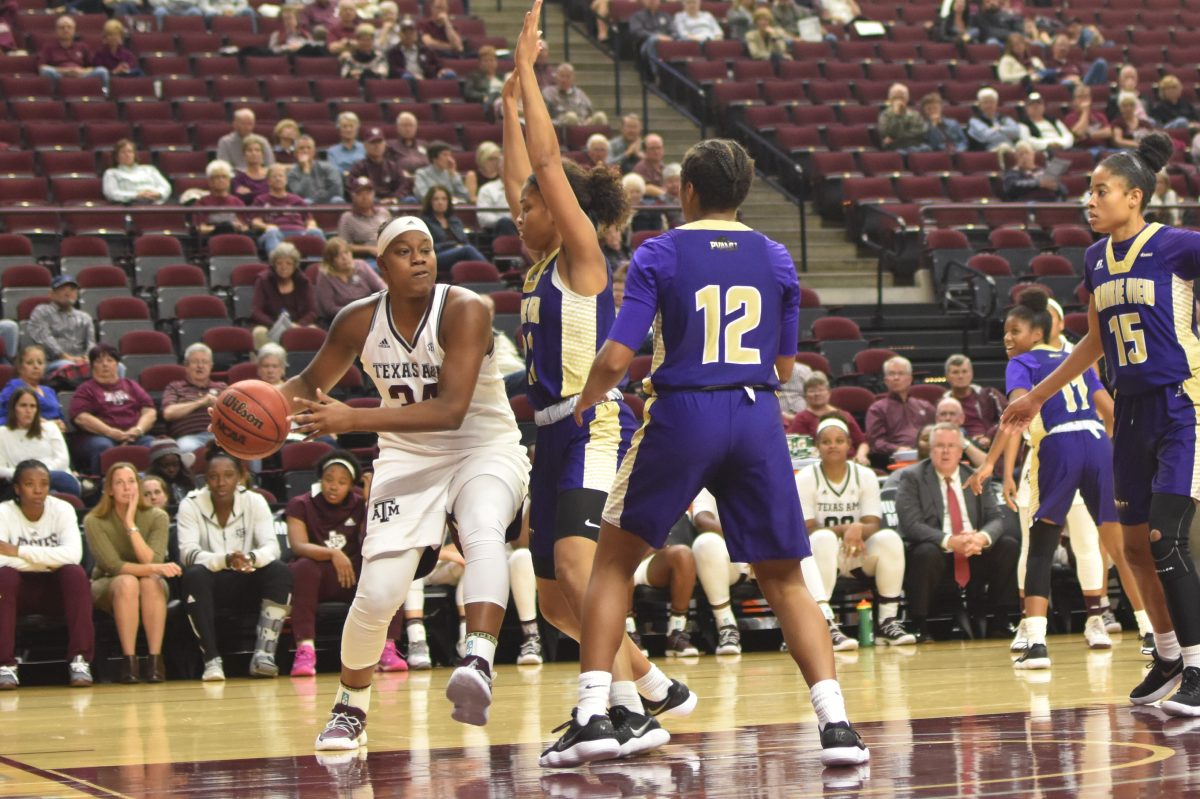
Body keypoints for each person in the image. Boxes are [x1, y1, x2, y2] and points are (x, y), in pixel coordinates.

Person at [542, 104, 871, 771]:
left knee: (611, 560)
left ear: (686, 192)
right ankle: (836, 723)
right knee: (785, 577)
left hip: (684, 410)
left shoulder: (660, 250)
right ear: (742, 193)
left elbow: (615, 355)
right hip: (754, 416)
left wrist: (586, 400)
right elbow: (784, 368)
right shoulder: (776, 256)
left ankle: (593, 713)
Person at [501, 20, 696, 766]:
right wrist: (509, 99)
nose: (519, 213)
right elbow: (523, 168)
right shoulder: (537, 255)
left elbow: (546, 162)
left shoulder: (581, 254)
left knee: (582, 570)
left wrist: (532, 73)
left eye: (530, 205)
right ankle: (643, 688)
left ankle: (615, 706)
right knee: (552, 596)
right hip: (548, 434)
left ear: (564, 208)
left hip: (594, 424)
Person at [281, 213, 529, 746]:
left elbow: (451, 411)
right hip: (406, 458)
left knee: (484, 527)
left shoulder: (464, 308)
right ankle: (350, 706)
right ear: (381, 266)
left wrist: (352, 419)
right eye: (405, 251)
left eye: (427, 248)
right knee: (377, 593)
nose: (420, 257)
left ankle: (478, 661)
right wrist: (243, 406)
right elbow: (306, 383)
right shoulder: (356, 320)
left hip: (482, 445)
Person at [1001, 133, 1200, 714]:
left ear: (1135, 197)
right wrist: (1036, 396)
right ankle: (1167, 657)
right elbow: (1093, 340)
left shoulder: (1177, 245)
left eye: (1101, 190)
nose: (1090, 201)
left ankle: (1198, 666)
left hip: (1181, 401)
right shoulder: (1093, 258)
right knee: (1133, 545)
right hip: (1131, 407)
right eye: (1089, 191)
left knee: (1165, 536)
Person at [967, 289, 1121, 669]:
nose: (1008, 337)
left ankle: (1051, 631)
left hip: (1055, 449)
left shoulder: (1031, 361)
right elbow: (1110, 413)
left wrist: (989, 464)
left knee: (1051, 543)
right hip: (1088, 445)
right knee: (1114, 544)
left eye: (1015, 329)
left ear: (1042, 328)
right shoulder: (1078, 358)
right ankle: (1155, 635)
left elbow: (1016, 413)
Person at [288, 450, 409, 677]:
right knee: (302, 567)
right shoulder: (300, 503)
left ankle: (387, 648)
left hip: (354, 576)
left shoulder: (359, 503)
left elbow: (377, 540)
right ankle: (305, 651)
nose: (334, 486)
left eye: (342, 482)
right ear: (320, 479)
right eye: (329, 479)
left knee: (388, 570)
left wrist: (370, 501)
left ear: (350, 485)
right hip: (320, 577)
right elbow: (299, 545)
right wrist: (333, 553)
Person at [895, 424, 1019, 641]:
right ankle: (920, 625)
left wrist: (981, 537)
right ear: (930, 449)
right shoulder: (912, 477)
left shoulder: (977, 476)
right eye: (939, 446)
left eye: (951, 446)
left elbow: (996, 518)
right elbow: (911, 524)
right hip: (938, 551)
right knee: (924, 552)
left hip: (974, 550)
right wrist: (950, 541)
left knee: (1007, 545)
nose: (945, 451)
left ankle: (1002, 619)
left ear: (961, 451)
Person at [799, 417, 916, 648]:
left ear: (849, 445)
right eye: (826, 441)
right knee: (823, 538)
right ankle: (825, 624)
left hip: (856, 554)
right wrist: (847, 529)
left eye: (839, 440)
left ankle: (887, 622)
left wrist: (859, 529)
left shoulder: (865, 475)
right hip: (820, 558)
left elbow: (873, 523)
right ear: (817, 447)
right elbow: (807, 528)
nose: (833, 445)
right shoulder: (804, 478)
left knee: (889, 538)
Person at [178, 448, 292, 681]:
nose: (221, 482)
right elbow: (187, 554)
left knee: (280, 570)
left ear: (240, 476)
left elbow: (272, 547)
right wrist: (225, 560)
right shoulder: (190, 504)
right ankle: (211, 660)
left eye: (228, 475)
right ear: (205, 478)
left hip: (247, 579)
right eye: (213, 476)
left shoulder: (255, 501)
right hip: (212, 584)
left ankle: (264, 654)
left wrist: (250, 558)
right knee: (194, 575)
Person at [0, 460, 94, 689]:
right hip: (18, 594)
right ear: (17, 488)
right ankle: (5, 665)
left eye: (43, 483)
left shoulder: (62, 509)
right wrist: (49, 560)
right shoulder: (3, 512)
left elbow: (73, 555)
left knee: (75, 574)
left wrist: (20, 551)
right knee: (4, 577)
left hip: (55, 594)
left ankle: (79, 661)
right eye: (30, 484)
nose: (38, 489)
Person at [84, 462, 178, 684]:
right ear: (109, 490)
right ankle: (130, 661)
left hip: (149, 581)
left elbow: (151, 559)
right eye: (119, 483)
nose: (127, 488)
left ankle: (155, 661)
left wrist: (129, 523)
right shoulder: (94, 521)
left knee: (149, 582)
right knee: (128, 582)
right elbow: (113, 566)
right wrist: (155, 568)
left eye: (131, 481)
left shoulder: (157, 516)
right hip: (107, 583)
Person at [68, 344, 156, 474]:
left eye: (110, 360)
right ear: (92, 366)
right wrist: (110, 432)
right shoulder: (86, 389)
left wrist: (138, 429)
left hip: (134, 435)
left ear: (117, 364)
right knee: (104, 446)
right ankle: (101, 486)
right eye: (99, 361)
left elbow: (150, 411)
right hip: (100, 437)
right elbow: (81, 418)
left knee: (155, 445)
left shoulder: (131, 385)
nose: (105, 364)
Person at [0, 388, 78, 496]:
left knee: (61, 480)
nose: (28, 410)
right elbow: (1, 469)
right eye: (23, 405)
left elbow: (63, 460)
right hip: (23, 482)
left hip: (56, 477)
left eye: (33, 406)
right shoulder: (2, 433)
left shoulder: (51, 428)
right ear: (14, 409)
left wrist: (40, 474)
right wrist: (26, 474)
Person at [865, 356, 935, 465]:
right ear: (886, 380)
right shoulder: (877, 409)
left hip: (927, 457)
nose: (896, 378)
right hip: (896, 460)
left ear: (910, 379)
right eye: (891, 374)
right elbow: (876, 443)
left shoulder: (925, 406)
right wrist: (896, 449)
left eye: (901, 373)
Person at [787, 372, 870, 465]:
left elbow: (862, 443)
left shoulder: (844, 415)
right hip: (817, 465)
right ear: (805, 396)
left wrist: (860, 456)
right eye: (812, 391)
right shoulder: (801, 418)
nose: (817, 394)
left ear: (829, 393)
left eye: (821, 390)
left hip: (850, 462)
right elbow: (795, 449)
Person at [161, 344, 226, 454]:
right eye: (195, 362)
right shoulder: (175, 387)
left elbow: (237, 413)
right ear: (186, 365)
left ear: (211, 366)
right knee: (185, 448)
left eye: (205, 362)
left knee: (250, 447)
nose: (200, 366)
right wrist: (200, 402)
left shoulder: (222, 387)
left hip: (220, 435)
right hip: (189, 438)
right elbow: (168, 413)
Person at [251, 164, 327, 255]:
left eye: (281, 176)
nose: (278, 178)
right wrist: (267, 226)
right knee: (272, 232)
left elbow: (310, 220)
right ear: (268, 181)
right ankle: (277, 262)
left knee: (316, 232)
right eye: (274, 176)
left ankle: (317, 265)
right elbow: (255, 222)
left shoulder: (297, 200)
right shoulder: (260, 200)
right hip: (276, 232)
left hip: (299, 232)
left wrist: (310, 226)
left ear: (286, 180)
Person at [27, 275, 94, 374]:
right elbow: (44, 338)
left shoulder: (85, 317)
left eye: (72, 289)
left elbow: (91, 343)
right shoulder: (42, 311)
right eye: (62, 289)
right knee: (67, 365)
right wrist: (64, 356)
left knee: (118, 366)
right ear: (51, 294)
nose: (68, 293)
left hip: (81, 361)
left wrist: (87, 357)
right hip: (52, 362)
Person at [314, 236, 386, 327]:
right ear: (330, 260)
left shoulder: (362, 266)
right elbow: (329, 308)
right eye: (338, 255)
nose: (344, 258)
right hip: (340, 320)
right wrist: (355, 312)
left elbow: (382, 287)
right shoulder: (325, 276)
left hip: (369, 314)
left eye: (346, 252)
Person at [420, 185, 487, 280]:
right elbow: (428, 248)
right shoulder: (424, 222)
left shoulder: (454, 220)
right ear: (430, 202)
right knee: (468, 249)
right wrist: (453, 245)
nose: (440, 202)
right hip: (436, 257)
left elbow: (465, 241)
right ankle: (493, 273)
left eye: (444, 199)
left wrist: (458, 247)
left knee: (468, 249)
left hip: (459, 252)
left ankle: (488, 279)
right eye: (436, 199)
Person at [942, 354, 1005, 448]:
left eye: (964, 371)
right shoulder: (943, 403)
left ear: (971, 374)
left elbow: (1007, 417)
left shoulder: (989, 395)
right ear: (947, 376)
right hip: (955, 445)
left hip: (988, 444)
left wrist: (989, 436)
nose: (960, 376)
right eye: (955, 372)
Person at [0, 345, 65, 428]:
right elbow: (3, 416)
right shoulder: (14, 386)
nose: (36, 366)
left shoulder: (49, 390)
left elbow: (60, 417)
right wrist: (39, 423)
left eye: (40, 363)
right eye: (30, 363)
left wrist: (61, 425)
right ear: (20, 367)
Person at [38, 15, 108, 91]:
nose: (66, 30)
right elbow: (41, 68)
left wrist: (81, 71)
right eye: (62, 27)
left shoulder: (82, 46)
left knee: (102, 71)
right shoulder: (48, 47)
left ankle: (105, 95)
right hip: (59, 76)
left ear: (74, 30)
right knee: (47, 71)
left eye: (69, 27)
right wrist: (65, 71)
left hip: (81, 76)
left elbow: (93, 66)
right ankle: (54, 96)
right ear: (56, 31)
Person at [347, 128, 414, 203]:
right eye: (373, 142)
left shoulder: (393, 166)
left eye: (379, 142)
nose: (377, 146)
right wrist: (378, 201)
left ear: (385, 144)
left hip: (393, 201)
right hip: (370, 203)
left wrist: (395, 198)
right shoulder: (359, 167)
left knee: (410, 200)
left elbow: (403, 184)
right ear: (365, 146)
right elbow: (352, 187)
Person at [337, 176, 392, 265]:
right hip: (367, 259)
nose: (365, 197)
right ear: (353, 196)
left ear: (374, 194)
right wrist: (369, 249)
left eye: (368, 193)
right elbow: (343, 246)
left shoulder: (384, 212)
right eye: (360, 193)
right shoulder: (347, 218)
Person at [103, 139, 171, 205]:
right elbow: (111, 193)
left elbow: (166, 186)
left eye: (130, 151)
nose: (127, 155)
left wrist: (158, 194)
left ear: (134, 154)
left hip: (156, 203)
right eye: (123, 152)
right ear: (116, 157)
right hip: (130, 205)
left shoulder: (149, 169)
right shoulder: (111, 173)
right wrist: (137, 195)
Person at [541, 63, 607, 127]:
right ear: (556, 77)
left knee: (600, 116)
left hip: (583, 124)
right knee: (571, 117)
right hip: (562, 126)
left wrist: (588, 120)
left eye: (568, 76)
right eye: (562, 76)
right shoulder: (548, 93)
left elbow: (591, 112)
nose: (564, 80)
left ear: (573, 78)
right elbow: (544, 118)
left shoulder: (580, 93)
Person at [474, 143, 519, 237]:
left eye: (511, 166)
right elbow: (484, 219)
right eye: (505, 167)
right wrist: (511, 218)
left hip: (525, 226)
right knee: (505, 223)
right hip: (500, 229)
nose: (508, 170)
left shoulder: (526, 188)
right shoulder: (487, 189)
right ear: (499, 169)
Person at [195, 160, 249, 237]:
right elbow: (200, 228)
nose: (221, 180)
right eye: (217, 177)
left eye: (224, 177)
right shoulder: (202, 203)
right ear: (210, 181)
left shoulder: (237, 202)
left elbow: (245, 227)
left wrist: (238, 227)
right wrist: (222, 228)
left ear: (229, 180)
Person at [287, 136, 344, 205]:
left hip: (329, 200)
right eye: (301, 148)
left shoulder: (328, 167)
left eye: (309, 148)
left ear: (314, 152)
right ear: (295, 153)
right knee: (306, 202)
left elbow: (337, 190)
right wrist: (306, 170)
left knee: (337, 200)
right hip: (309, 203)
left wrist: (318, 198)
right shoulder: (292, 174)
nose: (305, 151)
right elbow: (300, 195)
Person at [934, 397, 987, 468]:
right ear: (937, 419)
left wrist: (963, 443)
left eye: (952, 414)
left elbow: (988, 466)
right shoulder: (927, 440)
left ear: (962, 418)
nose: (948, 418)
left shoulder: (971, 443)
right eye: (943, 414)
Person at [386, 14, 443, 80]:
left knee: (449, 75)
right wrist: (411, 75)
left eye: (411, 32)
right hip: (405, 81)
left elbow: (437, 65)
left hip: (426, 79)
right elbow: (394, 70)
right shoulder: (393, 52)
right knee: (407, 77)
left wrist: (441, 70)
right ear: (400, 35)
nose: (408, 35)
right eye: (405, 32)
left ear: (416, 34)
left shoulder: (426, 50)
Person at [968, 87, 1021, 157]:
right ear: (980, 105)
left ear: (996, 103)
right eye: (986, 102)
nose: (989, 105)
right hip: (988, 152)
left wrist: (999, 129)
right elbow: (985, 136)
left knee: (1023, 146)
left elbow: (1016, 132)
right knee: (1004, 147)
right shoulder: (975, 120)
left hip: (1010, 149)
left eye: (991, 102)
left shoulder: (1003, 118)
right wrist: (1006, 131)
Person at [144, 437, 195, 506]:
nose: (171, 469)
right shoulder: (148, 486)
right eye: (165, 466)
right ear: (156, 467)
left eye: (175, 465)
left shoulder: (188, 482)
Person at [878, 83, 929, 152]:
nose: (899, 100)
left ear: (907, 99)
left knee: (927, 148)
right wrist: (897, 115)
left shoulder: (914, 114)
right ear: (890, 99)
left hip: (914, 144)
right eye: (895, 97)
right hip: (895, 146)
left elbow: (920, 131)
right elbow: (885, 132)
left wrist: (899, 137)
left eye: (901, 97)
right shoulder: (885, 115)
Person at [1064, 83, 1113, 153]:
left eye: (1086, 96)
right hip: (1082, 150)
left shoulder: (1099, 115)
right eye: (1080, 97)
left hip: (1102, 149)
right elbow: (1078, 133)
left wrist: (1088, 135)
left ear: (1090, 98)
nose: (1083, 100)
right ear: (1074, 101)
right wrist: (1085, 111)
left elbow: (1108, 132)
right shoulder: (1070, 118)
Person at [628, 0, 673, 76]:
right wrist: (656, 36)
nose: (652, 1)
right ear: (644, 2)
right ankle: (656, 73)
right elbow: (637, 31)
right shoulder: (637, 16)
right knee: (653, 40)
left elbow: (673, 31)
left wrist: (670, 37)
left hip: (667, 43)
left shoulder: (666, 16)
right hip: (645, 44)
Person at [232, 134, 271, 202]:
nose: (254, 153)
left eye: (257, 150)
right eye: (249, 150)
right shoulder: (238, 179)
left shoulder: (271, 174)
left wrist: (251, 193)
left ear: (262, 154)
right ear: (244, 155)